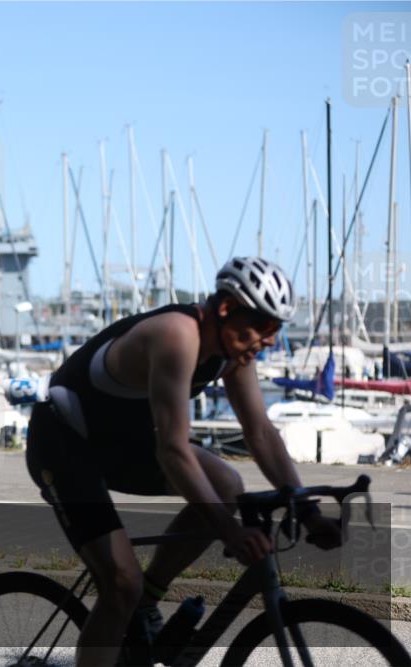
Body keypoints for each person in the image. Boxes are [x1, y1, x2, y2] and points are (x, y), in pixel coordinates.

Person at [26, 256, 342, 666]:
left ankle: (148, 601)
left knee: (227, 486)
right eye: (264, 326)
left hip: (121, 445)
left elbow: (261, 432)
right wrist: (229, 532)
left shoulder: (232, 352)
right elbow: (172, 450)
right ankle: (131, 599)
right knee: (121, 582)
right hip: (65, 445)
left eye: (276, 330)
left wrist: (308, 510)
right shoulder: (177, 335)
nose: (269, 340)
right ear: (226, 309)